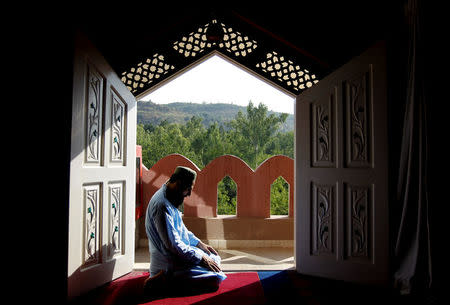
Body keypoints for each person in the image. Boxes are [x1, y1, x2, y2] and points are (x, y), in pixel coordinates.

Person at [143, 166, 226, 297]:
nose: (189, 194)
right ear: (178, 184)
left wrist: (199, 244)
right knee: (215, 277)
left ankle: (171, 277)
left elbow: (181, 230)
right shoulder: (162, 205)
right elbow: (174, 246)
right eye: (188, 189)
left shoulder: (169, 197)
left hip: (176, 255)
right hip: (168, 261)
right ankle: (164, 278)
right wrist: (201, 258)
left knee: (214, 258)